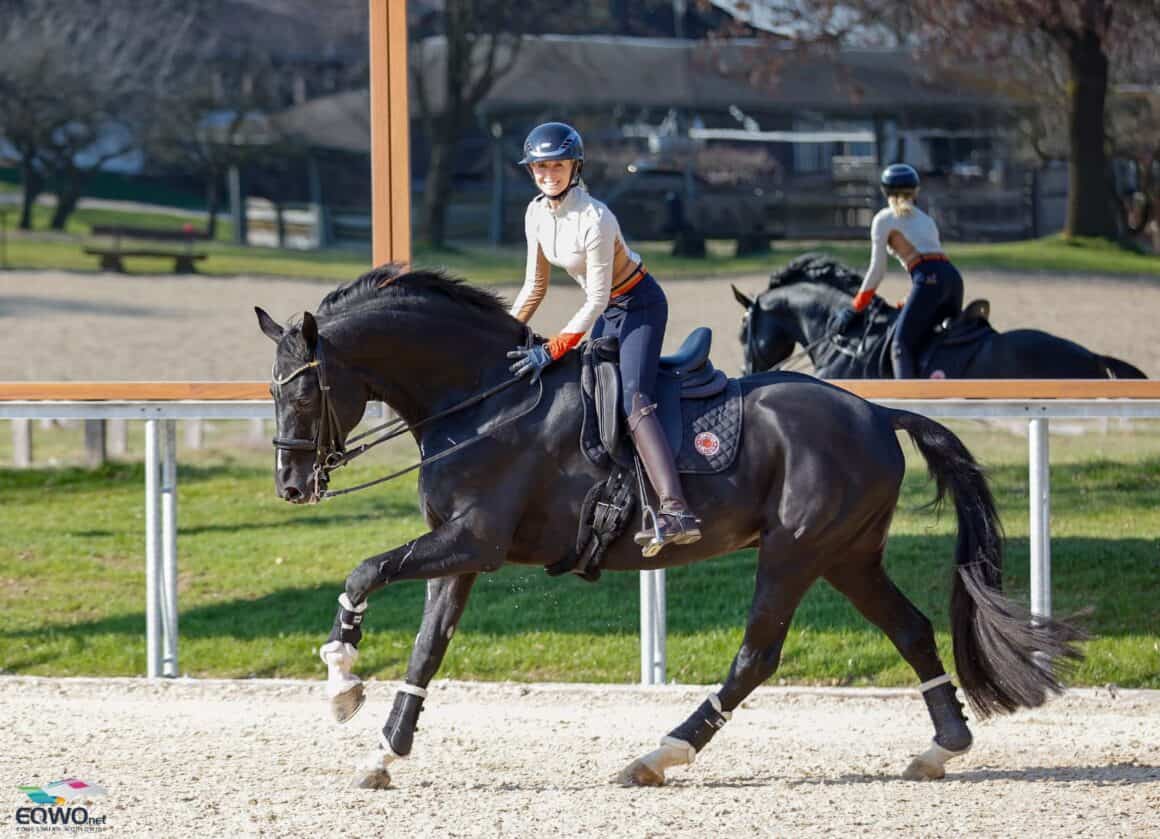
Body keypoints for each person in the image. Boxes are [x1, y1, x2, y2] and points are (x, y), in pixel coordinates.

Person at [505, 121, 702, 555]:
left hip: (640, 304)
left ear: (575, 167)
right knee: (590, 393)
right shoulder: (535, 213)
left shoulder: (596, 216)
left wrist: (551, 349)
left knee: (632, 398)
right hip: (608, 309)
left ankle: (676, 509)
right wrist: (500, 330)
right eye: (539, 168)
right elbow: (535, 287)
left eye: (557, 166)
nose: (548, 175)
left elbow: (595, 298)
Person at [832, 163, 964, 378]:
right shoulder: (926, 219)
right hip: (952, 279)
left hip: (928, 279)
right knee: (937, 337)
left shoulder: (884, 219)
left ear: (884, 191)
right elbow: (934, 264)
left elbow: (878, 269)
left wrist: (857, 306)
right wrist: (913, 296)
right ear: (916, 190)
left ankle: (908, 403)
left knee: (900, 344)